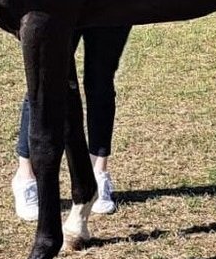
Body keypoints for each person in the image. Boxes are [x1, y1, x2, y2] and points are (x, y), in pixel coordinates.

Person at [11, 26, 132, 221]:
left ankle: (99, 171)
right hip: (64, 0)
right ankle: (26, 176)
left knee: (102, 80)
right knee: (46, 77)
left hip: (110, 0)